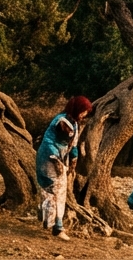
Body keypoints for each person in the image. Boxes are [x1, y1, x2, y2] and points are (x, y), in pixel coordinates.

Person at [36, 96, 91, 241]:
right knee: (52, 191)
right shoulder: (61, 122)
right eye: (83, 111)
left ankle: (53, 222)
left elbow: (73, 145)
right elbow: (49, 142)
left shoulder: (74, 123)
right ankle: (55, 225)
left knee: (59, 192)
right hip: (48, 160)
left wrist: (74, 158)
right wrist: (57, 159)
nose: (84, 114)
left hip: (59, 161)